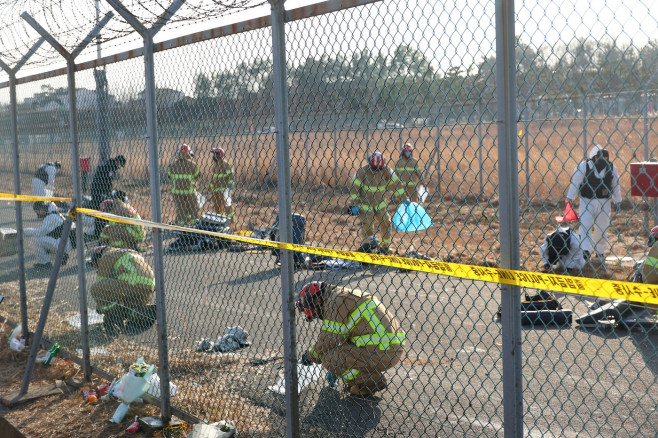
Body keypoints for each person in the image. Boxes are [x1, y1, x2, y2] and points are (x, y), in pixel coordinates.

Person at [296, 281, 405, 397]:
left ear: (317, 299)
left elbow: (329, 338)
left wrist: (310, 356)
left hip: (382, 350)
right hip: (389, 347)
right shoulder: (343, 295)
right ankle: (365, 378)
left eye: (313, 309)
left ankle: (371, 381)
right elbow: (344, 337)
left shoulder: (335, 301)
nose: (316, 315)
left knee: (329, 358)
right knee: (335, 356)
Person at [566, 144, 622, 262]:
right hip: (587, 201)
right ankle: (585, 250)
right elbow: (575, 182)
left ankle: (599, 252)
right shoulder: (584, 166)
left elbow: (616, 185)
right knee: (585, 225)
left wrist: (618, 201)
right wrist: (569, 198)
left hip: (604, 201)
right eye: (600, 159)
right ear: (595, 157)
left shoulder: (612, 168)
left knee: (602, 227)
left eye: (605, 160)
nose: (602, 162)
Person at [89, 245, 156, 336]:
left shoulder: (107, 256)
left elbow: (101, 284)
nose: (97, 268)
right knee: (129, 307)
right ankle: (141, 313)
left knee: (96, 288)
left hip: (131, 283)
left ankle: (113, 317)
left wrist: (101, 309)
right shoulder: (126, 251)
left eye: (96, 265)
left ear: (98, 257)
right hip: (148, 286)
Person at [349, 151, 404, 254]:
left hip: (380, 205)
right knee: (367, 226)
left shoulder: (387, 171)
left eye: (379, 168)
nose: (377, 171)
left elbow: (396, 185)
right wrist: (353, 204)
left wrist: (404, 199)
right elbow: (354, 189)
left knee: (386, 222)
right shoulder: (362, 172)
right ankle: (368, 248)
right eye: (375, 168)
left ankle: (384, 248)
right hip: (365, 205)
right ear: (370, 163)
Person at [24, 201, 73, 270]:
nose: (36, 213)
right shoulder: (54, 213)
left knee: (36, 240)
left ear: (41, 209)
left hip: (64, 243)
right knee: (43, 239)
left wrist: (23, 231)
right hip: (65, 241)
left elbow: (40, 232)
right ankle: (60, 256)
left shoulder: (51, 216)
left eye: (36, 211)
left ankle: (45, 263)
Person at [167, 144, 200, 226]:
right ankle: (194, 225)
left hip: (177, 192)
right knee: (193, 209)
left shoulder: (172, 166)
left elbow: (169, 176)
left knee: (181, 209)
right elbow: (197, 176)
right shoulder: (192, 164)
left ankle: (181, 226)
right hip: (190, 192)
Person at [208, 147, 235, 220]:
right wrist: (211, 187)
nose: (214, 156)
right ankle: (221, 221)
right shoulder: (214, 166)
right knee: (217, 207)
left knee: (228, 207)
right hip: (216, 191)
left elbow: (231, 177)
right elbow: (212, 179)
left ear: (220, 155)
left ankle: (231, 221)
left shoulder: (226, 165)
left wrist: (229, 187)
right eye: (214, 154)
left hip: (225, 190)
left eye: (215, 154)